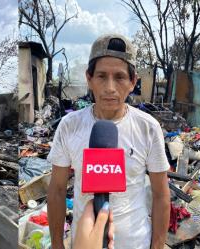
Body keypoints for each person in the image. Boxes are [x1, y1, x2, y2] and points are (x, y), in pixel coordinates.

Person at [47, 34, 170, 249]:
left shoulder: (148, 128)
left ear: (133, 82)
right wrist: (58, 245)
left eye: (120, 77)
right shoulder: (69, 126)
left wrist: (157, 246)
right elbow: (57, 189)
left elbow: (160, 194)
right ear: (89, 79)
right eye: (102, 76)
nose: (110, 87)